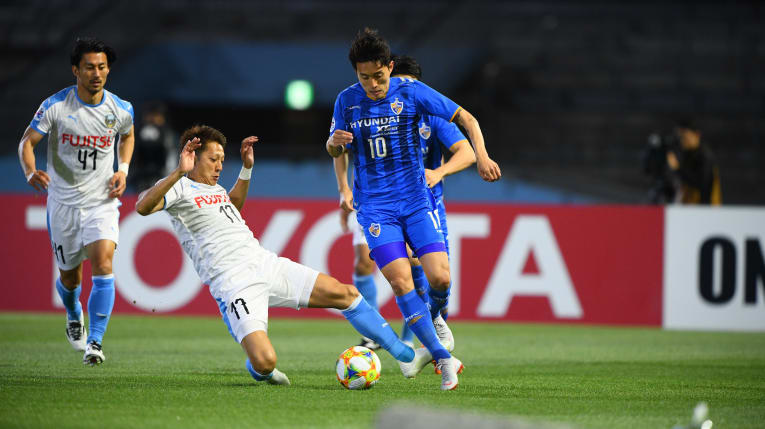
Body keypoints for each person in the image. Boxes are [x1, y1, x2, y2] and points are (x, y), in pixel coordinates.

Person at [136, 125, 414, 386]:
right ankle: (259, 369)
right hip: (234, 283)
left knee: (347, 293)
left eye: (222, 158)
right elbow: (142, 206)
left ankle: (405, 355)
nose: (220, 165)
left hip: (264, 263)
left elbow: (232, 207)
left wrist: (246, 170)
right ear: (192, 158)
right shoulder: (180, 189)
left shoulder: (216, 189)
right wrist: (176, 173)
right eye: (213, 159)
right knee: (265, 362)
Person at [326, 28, 501, 390]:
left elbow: (467, 118)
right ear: (355, 74)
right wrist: (333, 145)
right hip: (375, 209)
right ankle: (441, 358)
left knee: (440, 279)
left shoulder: (412, 92)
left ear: (389, 67)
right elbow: (335, 150)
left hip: (416, 203)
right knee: (401, 279)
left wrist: (482, 156)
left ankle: (435, 317)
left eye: (378, 75)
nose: (373, 84)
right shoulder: (346, 101)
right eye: (365, 77)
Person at [336, 54, 476, 350]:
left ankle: (426, 341)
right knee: (389, 270)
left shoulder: (431, 116)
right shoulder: (359, 106)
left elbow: (467, 151)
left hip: (424, 203)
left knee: (436, 277)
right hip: (378, 202)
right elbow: (341, 149)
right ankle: (389, 337)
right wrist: (343, 190)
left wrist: (440, 171)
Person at [17, 37, 135, 365]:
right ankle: (73, 312)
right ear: (75, 70)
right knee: (71, 278)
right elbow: (27, 141)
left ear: (108, 69)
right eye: (89, 67)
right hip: (64, 204)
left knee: (104, 263)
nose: (96, 73)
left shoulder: (120, 109)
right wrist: (30, 171)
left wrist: (122, 170)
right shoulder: (56, 106)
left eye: (102, 67)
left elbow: (127, 135)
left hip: (102, 200)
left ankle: (95, 342)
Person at [666, 119, 722, 205]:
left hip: (705, 209)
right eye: (680, 137)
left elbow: (702, 183)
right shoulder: (686, 154)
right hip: (691, 207)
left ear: (697, 134)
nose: (682, 140)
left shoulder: (704, 155)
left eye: (684, 136)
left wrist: (678, 169)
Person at [129, 101, 178, 192]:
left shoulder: (168, 135)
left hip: (161, 177)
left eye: (156, 116)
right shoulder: (137, 133)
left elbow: (171, 157)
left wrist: (169, 178)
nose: (152, 119)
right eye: (149, 115)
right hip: (139, 179)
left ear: (162, 118)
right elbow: (131, 155)